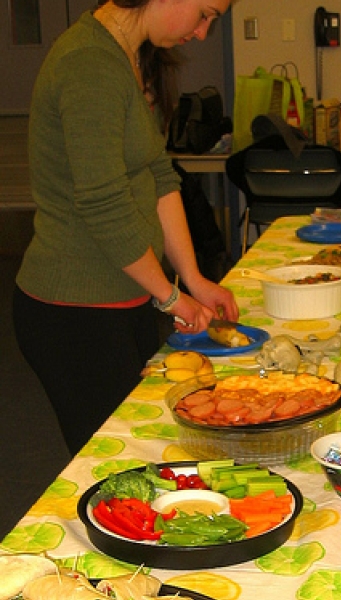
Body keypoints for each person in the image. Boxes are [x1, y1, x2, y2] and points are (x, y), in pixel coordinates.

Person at [12, 0, 236, 456]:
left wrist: (191, 279)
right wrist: (170, 295)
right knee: (118, 463)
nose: (202, 33)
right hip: (74, 312)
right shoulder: (89, 63)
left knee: (146, 451)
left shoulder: (126, 55)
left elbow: (158, 175)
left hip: (125, 297)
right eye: (206, 14)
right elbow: (102, 202)